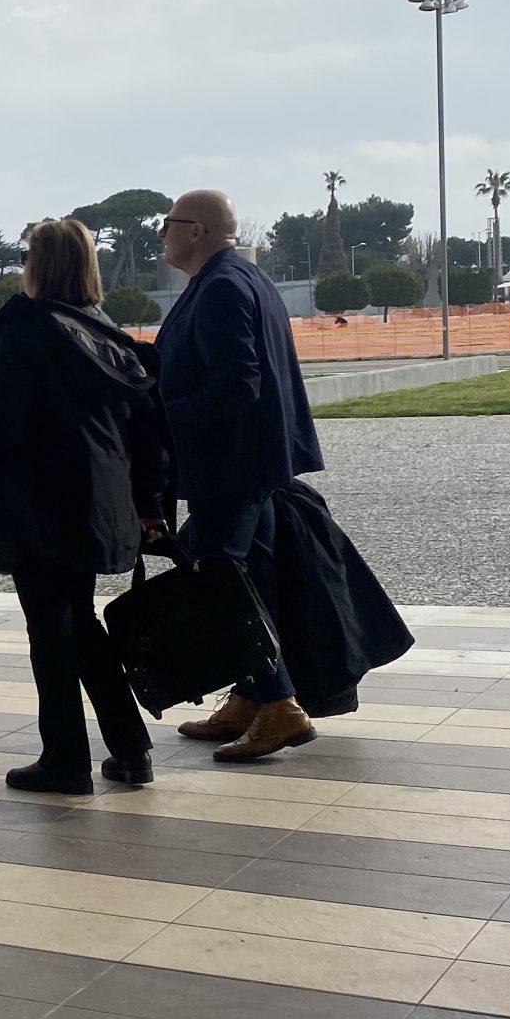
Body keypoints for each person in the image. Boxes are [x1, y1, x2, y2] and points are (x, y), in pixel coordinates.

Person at [0, 217, 163, 794]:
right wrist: (146, 502)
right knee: (81, 622)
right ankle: (131, 750)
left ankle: (66, 759)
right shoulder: (108, 334)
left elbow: (0, 417)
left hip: (40, 501)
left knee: (50, 631)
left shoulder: (25, 326)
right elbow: (146, 430)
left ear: (36, 265)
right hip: (100, 499)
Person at [155, 189, 323, 759]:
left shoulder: (222, 286)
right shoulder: (244, 278)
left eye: (167, 224)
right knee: (254, 578)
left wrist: (160, 415)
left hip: (229, 466)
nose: (162, 235)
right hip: (250, 464)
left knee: (223, 584)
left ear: (196, 230)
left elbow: (236, 385)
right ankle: (252, 696)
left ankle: (280, 705)